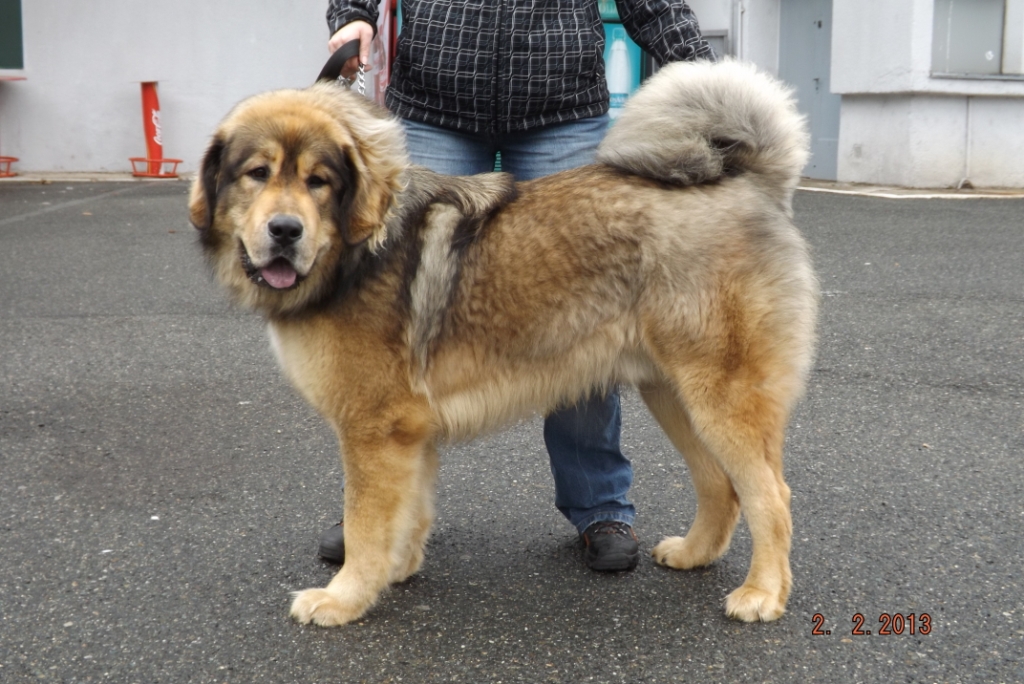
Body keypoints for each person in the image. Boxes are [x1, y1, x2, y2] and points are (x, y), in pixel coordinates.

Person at [319, 0, 715, 572]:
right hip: (434, 109)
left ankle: (600, 506)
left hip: (561, 113)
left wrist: (702, 76)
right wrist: (352, 14)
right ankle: (376, 518)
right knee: (388, 334)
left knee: (590, 320)